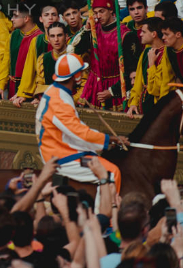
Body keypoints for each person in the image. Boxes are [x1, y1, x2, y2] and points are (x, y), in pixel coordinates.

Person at [36, 51, 128, 194]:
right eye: (81, 73)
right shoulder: (59, 100)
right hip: (60, 155)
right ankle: (105, 214)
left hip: (61, 147)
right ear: (75, 76)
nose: (82, 76)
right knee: (112, 172)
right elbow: (80, 132)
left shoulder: (57, 91)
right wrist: (112, 139)